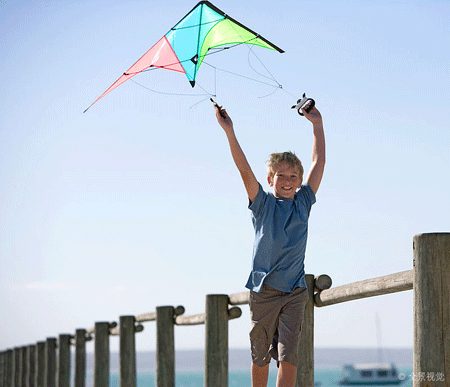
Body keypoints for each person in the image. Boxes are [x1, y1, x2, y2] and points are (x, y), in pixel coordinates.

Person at [214, 101, 325, 387]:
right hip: (263, 291)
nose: (287, 181)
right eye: (281, 176)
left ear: (299, 181)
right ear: (270, 179)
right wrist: (229, 131)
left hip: (295, 291)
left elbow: (318, 163)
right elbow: (243, 169)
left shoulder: (303, 203)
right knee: (260, 356)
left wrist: (317, 125)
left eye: (292, 176)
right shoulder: (262, 203)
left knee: (289, 357)